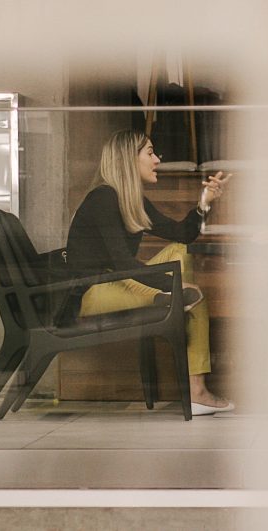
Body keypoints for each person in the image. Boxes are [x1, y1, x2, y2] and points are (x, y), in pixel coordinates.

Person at [65, 129, 233, 416]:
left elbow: (182, 233)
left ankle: (174, 298)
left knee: (180, 250)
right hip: (91, 293)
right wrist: (171, 283)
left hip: (116, 283)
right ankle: (197, 391)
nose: (157, 160)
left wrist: (204, 202)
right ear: (128, 160)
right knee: (191, 297)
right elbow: (122, 263)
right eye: (150, 153)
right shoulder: (103, 198)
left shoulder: (131, 200)